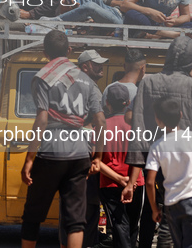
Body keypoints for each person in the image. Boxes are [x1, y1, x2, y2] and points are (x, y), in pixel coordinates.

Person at [123, 36, 192, 247]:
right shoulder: (191, 83)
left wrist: (137, 159)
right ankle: (166, 237)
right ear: (191, 60)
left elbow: (136, 117)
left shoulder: (147, 82)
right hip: (182, 154)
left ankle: (148, 242)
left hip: (154, 152)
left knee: (153, 203)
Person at [20, 30, 106, 248]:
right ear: (69, 51)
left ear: (44, 52)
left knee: (32, 216)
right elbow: (101, 123)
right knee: (75, 221)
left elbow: (41, 120)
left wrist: (30, 159)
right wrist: (97, 156)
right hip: (79, 155)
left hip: (50, 153)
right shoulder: (88, 81)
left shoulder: (42, 78)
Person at [145, 97, 192, 248]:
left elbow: (150, 182)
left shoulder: (157, 146)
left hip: (171, 204)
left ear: (158, 120)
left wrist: (154, 209)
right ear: (180, 115)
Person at [99, 84, 144, 248]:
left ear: (107, 103)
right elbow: (139, 158)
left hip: (110, 184)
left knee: (119, 226)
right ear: (128, 102)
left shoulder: (101, 127)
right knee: (132, 226)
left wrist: (119, 178)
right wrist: (130, 183)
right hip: (136, 183)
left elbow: (96, 162)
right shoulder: (136, 127)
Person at [77, 49, 108, 247]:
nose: (100, 66)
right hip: (86, 150)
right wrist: (98, 156)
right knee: (88, 204)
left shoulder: (73, 84)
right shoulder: (91, 88)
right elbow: (100, 123)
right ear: (85, 66)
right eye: (96, 63)